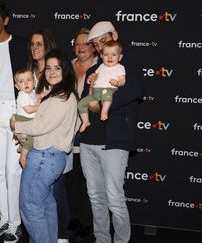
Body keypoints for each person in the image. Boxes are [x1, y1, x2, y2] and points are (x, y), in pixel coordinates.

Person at [79, 21, 143, 243]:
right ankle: (102, 239)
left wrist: (100, 102)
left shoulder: (127, 66)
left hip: (115, 141)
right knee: (96, 197)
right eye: (96, 44)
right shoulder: (93, 70)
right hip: (88, 142)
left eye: (103, 40)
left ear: (115, 35)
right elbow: (84, 101)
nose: (99, 47)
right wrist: (90, 95)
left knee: (115, 198)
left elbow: (134, 91)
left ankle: (121, 241)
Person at [10, 49, 78, 243]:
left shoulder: (61, 97)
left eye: (57, 67)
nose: (52, 71)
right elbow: (76, 124)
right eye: (48, 68)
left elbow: (41, 125)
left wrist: (17, 124)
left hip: (44, 158)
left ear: (65, 70)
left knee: (30, 206)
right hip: (52, 157)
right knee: (46, 205)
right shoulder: (60, 94)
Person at [0, 1, 29, 242]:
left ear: (5, 20)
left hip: (16, 112)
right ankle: (4, 219)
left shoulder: (22, 44)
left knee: (13, 172)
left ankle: (16, 223)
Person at [67, 27, 98, 240]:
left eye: (86, 43)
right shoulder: (67, 67)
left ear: (94, 47)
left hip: (90, 130)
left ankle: (88, 221)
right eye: (77, 43)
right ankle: (77, 217)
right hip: (68, 130)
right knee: (71, 178)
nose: (81, 47)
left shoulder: (101, 68)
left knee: (89, 179)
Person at [78, 40, 126, 132]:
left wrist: (117, 82)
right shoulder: (100, 67)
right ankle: (85, 121)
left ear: (120, 57)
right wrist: (90, 77)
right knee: (81, 103)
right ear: (101, 56)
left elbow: (123, 80)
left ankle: (104, 112)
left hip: (108, 90)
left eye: (113, 55)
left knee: (106, 93)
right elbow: (95, 75)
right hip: (95, 93)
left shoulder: (119, 67)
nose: (110, 57)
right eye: (106, 54)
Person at [13, 68, 39, 167]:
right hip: (23, 119)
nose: (25, 83)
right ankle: (23, 158)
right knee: (30, 140)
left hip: (29, 120)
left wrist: (41, 97)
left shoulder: (32, 93)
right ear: (17, 86)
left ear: (34, 82)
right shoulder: (22, 95)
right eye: (21, 81)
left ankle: (21, 146)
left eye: (29, 80)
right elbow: (29, 110)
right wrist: (40, 106)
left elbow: (37, 97)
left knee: (30, 137)